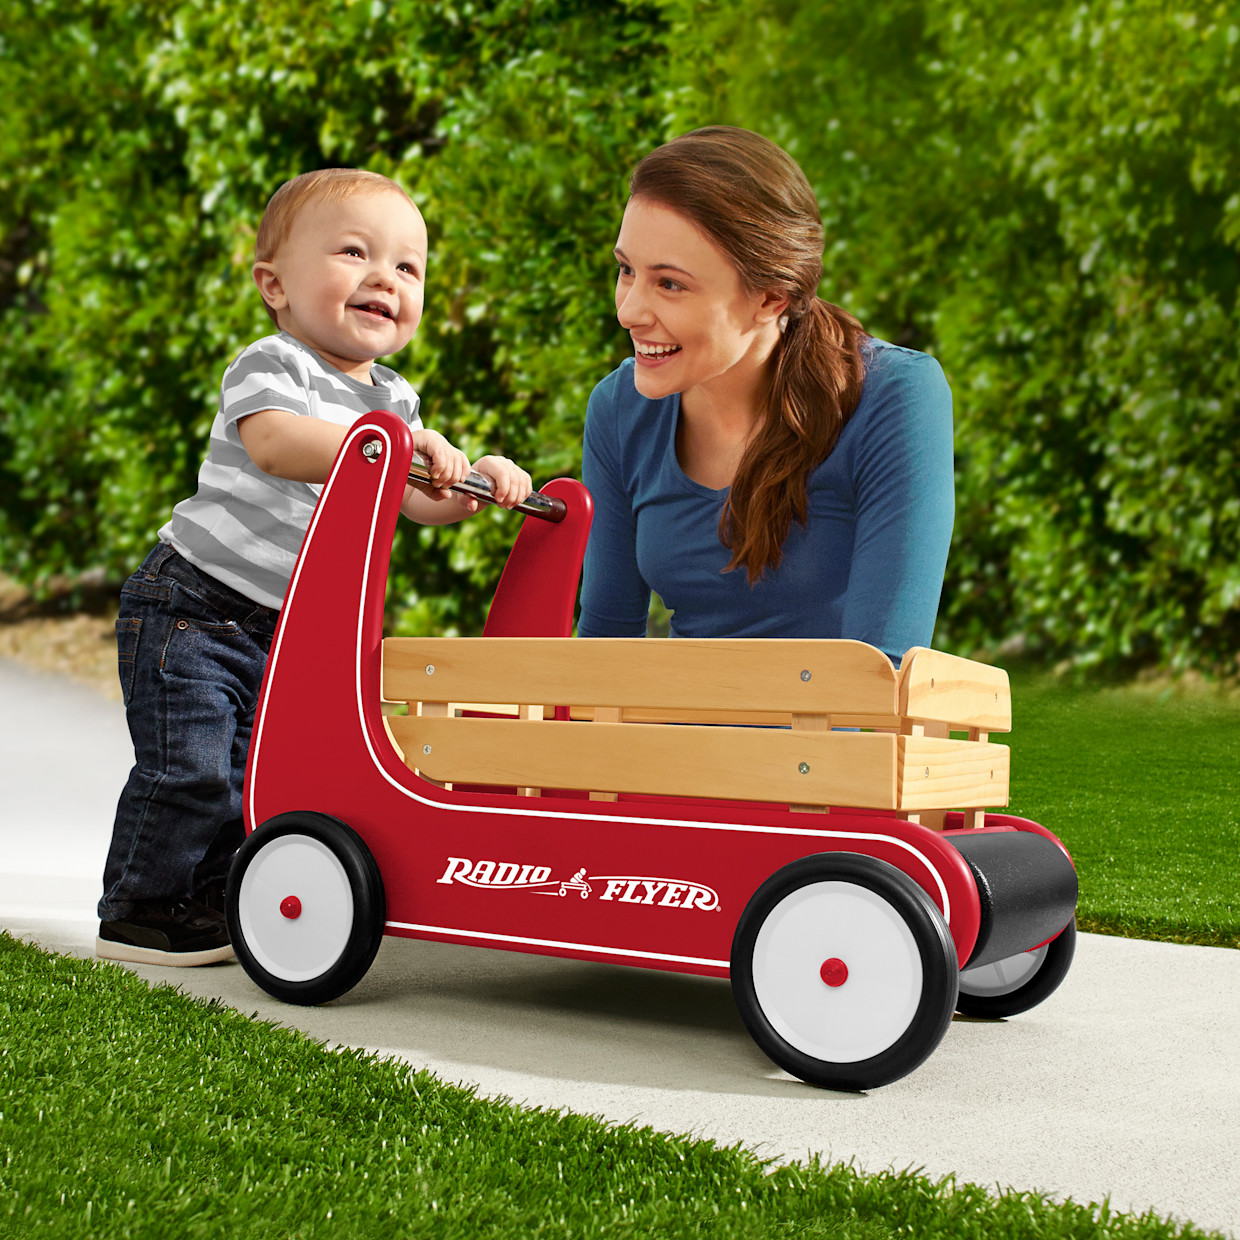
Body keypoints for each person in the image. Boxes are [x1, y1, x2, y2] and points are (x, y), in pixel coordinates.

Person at [97, 168, 531, 967]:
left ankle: (211, 899)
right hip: (193, 607)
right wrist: (388, 450)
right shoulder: (273, 364)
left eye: (407, 267)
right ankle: (138, 906)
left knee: (253, 772)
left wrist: (471, 487)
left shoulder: (395, 401)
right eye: (355, 253)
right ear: (276, 285)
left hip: (284, 627)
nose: (384, 278)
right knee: (192, 768)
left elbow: (414, 499)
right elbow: (277, 445)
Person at [578, 127, 954, 662]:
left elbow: (882, 675)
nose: (628, 311)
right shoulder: (620, 409)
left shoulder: (894, 398)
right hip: (668, 744)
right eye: (626, 270)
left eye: (670, 284)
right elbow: (603, 655)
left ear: (771, 297)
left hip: (829, 745)